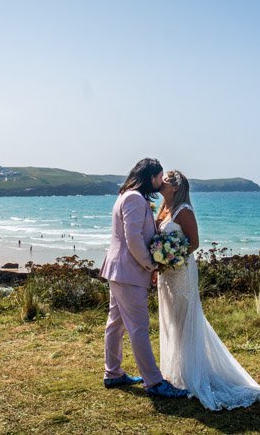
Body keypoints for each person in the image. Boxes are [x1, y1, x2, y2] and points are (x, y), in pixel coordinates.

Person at [156, 170, 260, 410]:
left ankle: (193, 374)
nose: (160, 183)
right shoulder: (163, 208)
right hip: (167, 274)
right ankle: (177, 370)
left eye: (164, 181)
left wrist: (172, 256)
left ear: (175, 187)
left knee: (186, 318)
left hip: (181, 272)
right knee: (172, 319)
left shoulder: (183, 210)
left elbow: (194, 243)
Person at [100, 158, 188, 399]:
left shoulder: (128, 196)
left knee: (115, 324)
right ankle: (154, 382)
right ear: (151, 177)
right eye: (159, 177)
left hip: (119, 270)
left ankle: (113, 373)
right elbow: (133, 239)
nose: (160, 183)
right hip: (128, 272)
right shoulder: (134, 199)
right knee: (138, 327)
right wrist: (151, 266)